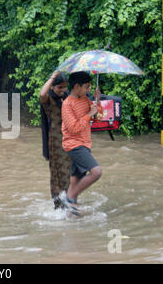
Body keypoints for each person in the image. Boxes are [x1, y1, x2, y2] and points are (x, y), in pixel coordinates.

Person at [61, 71, 102, 216]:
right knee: (96, 172)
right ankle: (69, 197)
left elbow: (97, 118)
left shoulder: (85, 99)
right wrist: (89, 115)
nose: (88, 90)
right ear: (76, 86)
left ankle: (70, 215)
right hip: (74, 144)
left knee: (76, 179)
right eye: (86, 87)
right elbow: (73, 128)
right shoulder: (67, 104)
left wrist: (97, 102)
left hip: (85, 144)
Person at [40, 71, 70, 209]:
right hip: (56, 143)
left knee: (69, 173)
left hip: (70, 141)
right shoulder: (49, 100)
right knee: (57, 174)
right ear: (52, 86)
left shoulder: (67, 97)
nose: (62, 90)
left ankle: (69, 201)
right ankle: (59, 204)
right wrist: (52, 77)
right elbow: (42, 94)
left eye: (64, 87)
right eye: (59, 88)